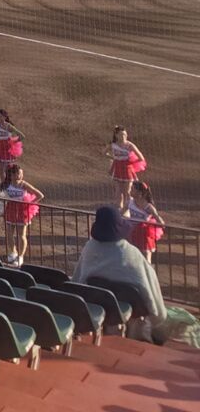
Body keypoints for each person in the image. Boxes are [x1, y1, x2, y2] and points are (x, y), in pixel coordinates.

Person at [73, 205, 167, 343]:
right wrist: (158, 316)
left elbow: (77, 280)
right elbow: (148, 282)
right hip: (131, 311)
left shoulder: (90, 248)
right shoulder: (131, 253)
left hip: (99, 307)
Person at [0, 164, 43, 266]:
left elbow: (40, 195)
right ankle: (12, 252)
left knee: (21, 235)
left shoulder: (24, 185)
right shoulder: (6, 184)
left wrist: (29, 204)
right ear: (11, 175)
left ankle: (20, 256)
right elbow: (1, 195)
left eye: (21, 174)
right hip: (10, 210)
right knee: (9, 233)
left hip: (22, 212)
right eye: (17, 174)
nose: (20, 176)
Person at [105, 126, 147, 212]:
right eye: (121, 135)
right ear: (116, 135)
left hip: (127, 170)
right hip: (117, 169)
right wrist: (114, 158)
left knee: (127, 191)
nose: (123, 136)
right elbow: (104, 152)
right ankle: (119, 210)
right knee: (118, 191)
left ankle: (128, 209)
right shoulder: (113, 145)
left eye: (125, 134)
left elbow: (141, 158)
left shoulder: (129, 145)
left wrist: (130, 162)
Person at [127, 181, 165, 264]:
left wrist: (157, 224)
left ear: (139, 193)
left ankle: (148, 271)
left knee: (146, 256)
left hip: (143, 235)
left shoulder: (148, 207)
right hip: (133, 232)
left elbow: (160, 222)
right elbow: (122, 213)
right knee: (134, 256)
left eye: (132, 189)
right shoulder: (130, 202)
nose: (130, 191)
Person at [0, 109, 24, 188]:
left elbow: (22, 136)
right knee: (1, 169)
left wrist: (14, 141)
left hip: (7, 149)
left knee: (8, 168)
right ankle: (4, 185)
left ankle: (10, 184)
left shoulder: (8, 126)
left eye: (0, 116)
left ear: (4, 117)